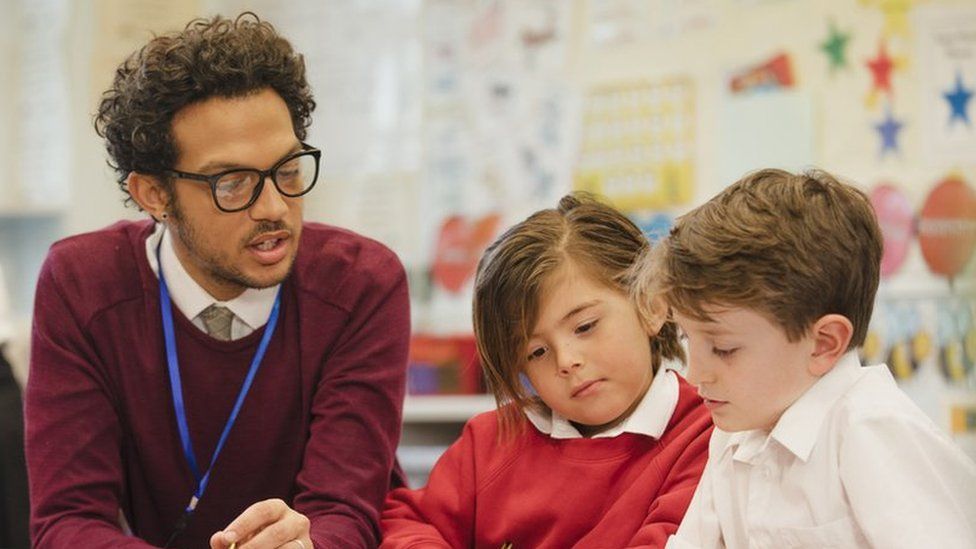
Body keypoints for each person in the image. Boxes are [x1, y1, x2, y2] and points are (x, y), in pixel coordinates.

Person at [25, 13, 410, 549]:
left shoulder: (361, 283)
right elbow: (67, 521)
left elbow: (345, 508)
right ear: (154, 195)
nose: (276, 208)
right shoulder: (83, 285)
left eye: (289, 170)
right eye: (233, 183)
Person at [633, 169, 976, 548]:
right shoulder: (733, 436)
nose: (695, 374)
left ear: (823, 344)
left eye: (724, 349)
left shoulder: (870, 429)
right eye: (686, 336)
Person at [381, 194, 712, 548]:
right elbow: (408, 521)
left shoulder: (704, 433)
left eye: (585, 326)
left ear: (650, 304)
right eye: (536, 351)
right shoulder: (492, 441)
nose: (566, 361)